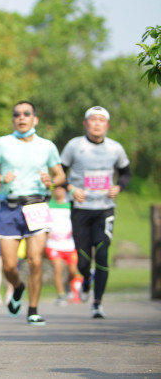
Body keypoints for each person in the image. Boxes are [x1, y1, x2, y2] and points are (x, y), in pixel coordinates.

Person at [0, 101, 66, 326]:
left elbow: (60, 175)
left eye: (27, 114)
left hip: (37, 205)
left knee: (35, 260)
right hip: (9, 207)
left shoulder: (47, 146)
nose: (22, 117)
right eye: (17, 114)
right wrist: (1, 178)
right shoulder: (2, 143)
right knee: (9, 265)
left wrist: (52, 180)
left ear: (34, 119)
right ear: (13, 120)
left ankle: (34, 310)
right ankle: (18, 288)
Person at [60, 106, 131, 319]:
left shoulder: (115, 148)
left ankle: (97, 304)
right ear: (86, 123)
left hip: (104, 209)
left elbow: (126, 173)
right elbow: (59, 173)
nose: (97, 123)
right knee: (82, 259)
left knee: (101, 253)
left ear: (107, 125)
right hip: (80, 209)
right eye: (93, 119)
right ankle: (86, 278)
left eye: (102, 120)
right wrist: (72, 189)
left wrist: (119, 187)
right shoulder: (74, 146)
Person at [46, 185, 81, 306]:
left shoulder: (70, 205)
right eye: (56, 189)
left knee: (73, 271)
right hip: (53, 244)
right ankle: (61, 295)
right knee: (57, 268)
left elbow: (77, 222)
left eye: (61, 189)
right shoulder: (48, 204)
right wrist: (46, 234)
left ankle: (67, 284)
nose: (58, 191)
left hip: (69, 244)